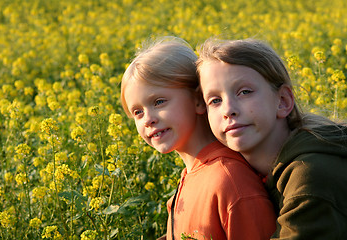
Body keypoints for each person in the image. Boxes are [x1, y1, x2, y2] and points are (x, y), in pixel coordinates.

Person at [120, 37, 276, 240]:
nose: (148, 119)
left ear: (198, 100)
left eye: (159, 102)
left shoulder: (229, 181)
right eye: (138, 112)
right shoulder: (192, 175)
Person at [196, 38, 347, 239]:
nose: (228, 110)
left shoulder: (309, 178)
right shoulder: (251, 172)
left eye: (244, 92)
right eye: (215, 100)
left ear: (283, 101)